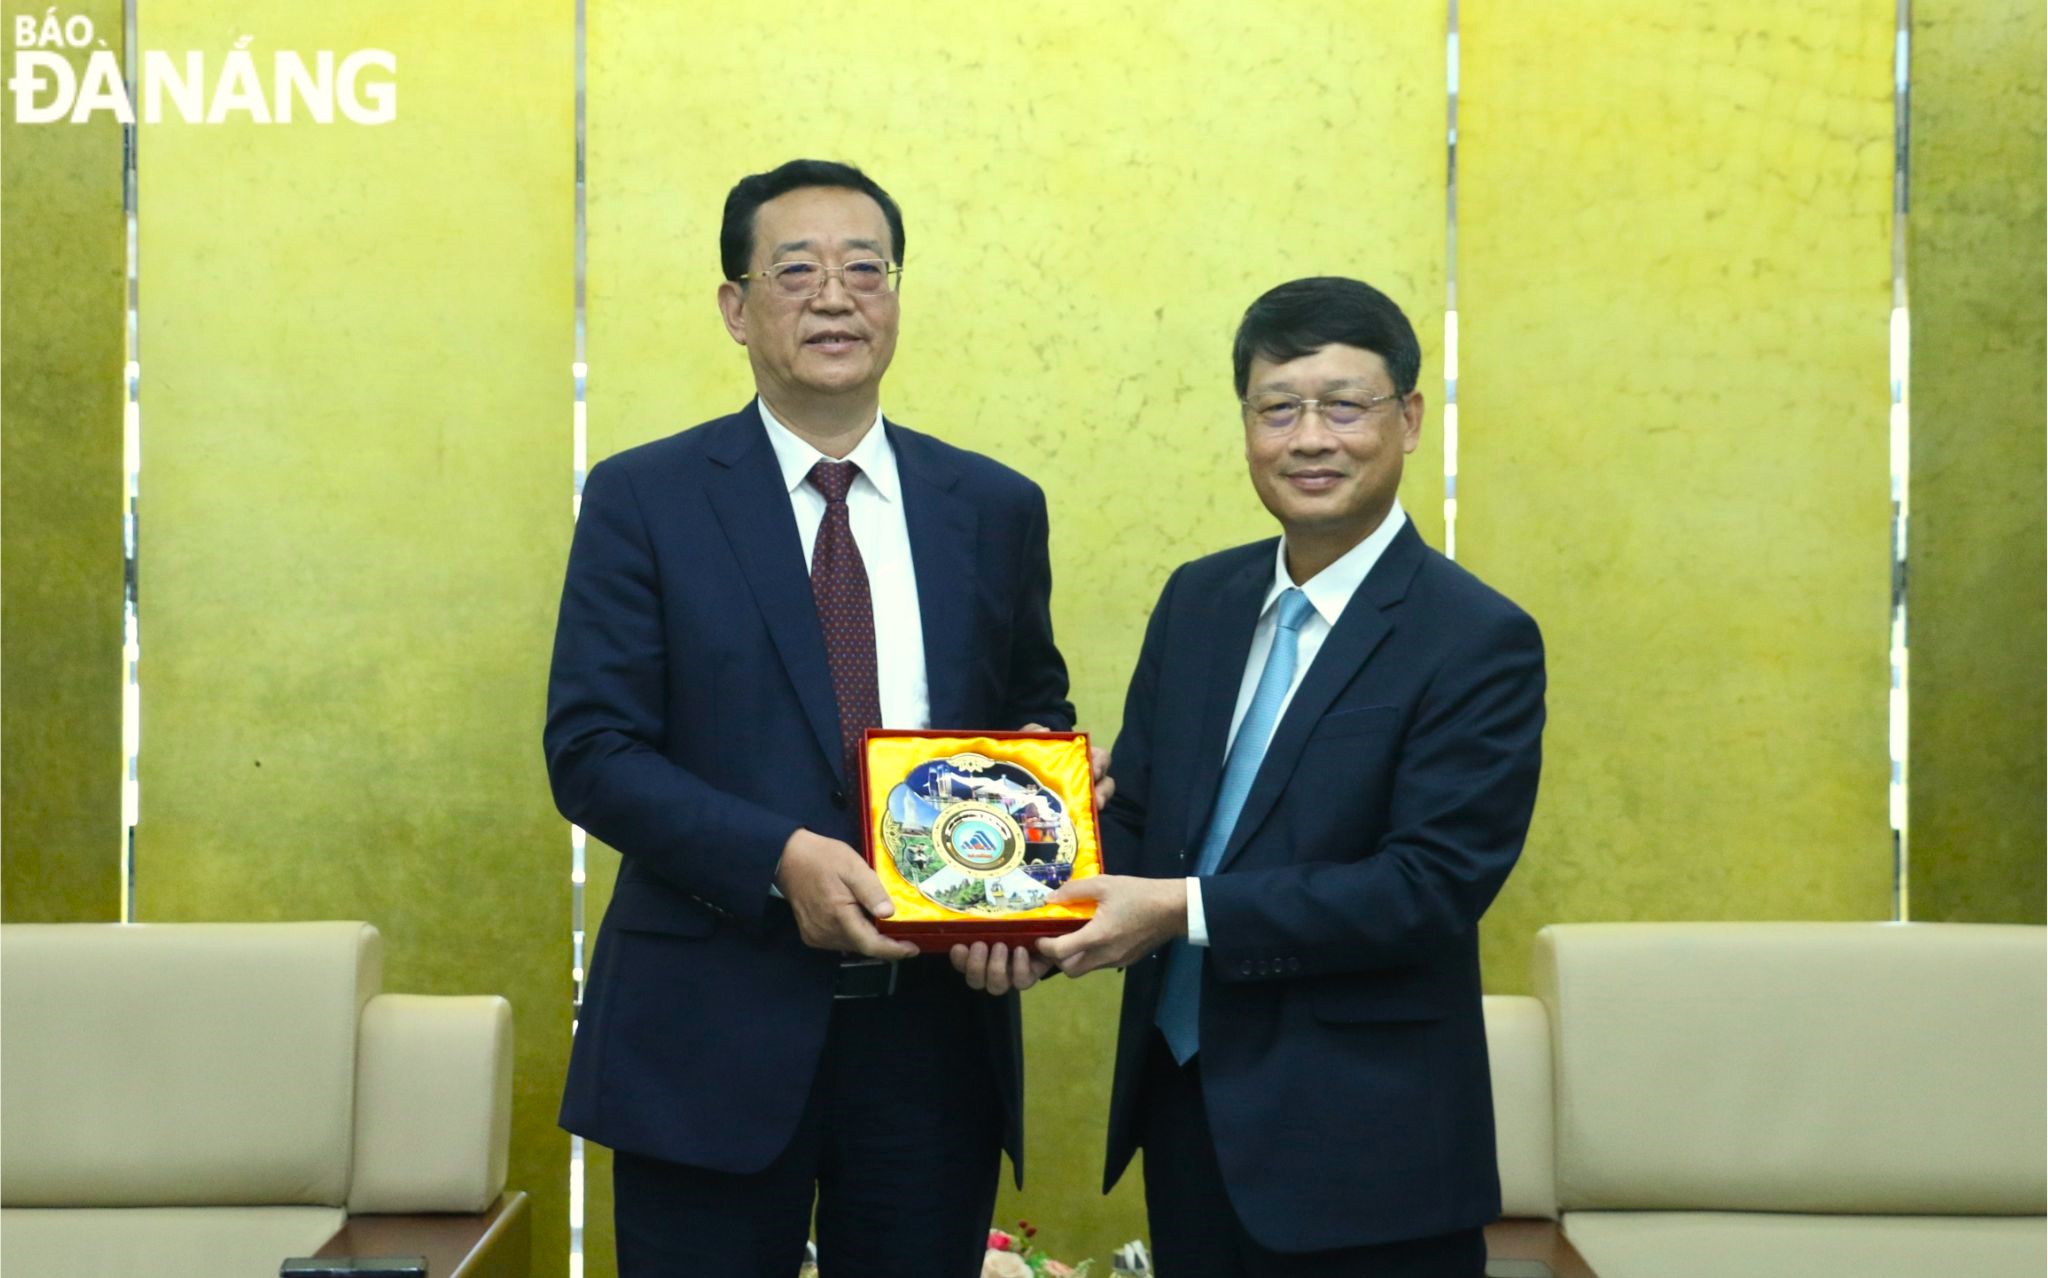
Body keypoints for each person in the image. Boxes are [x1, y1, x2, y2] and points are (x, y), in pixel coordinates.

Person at [545, 159, 1081, 1278]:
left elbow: (1034, 706)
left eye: (864, 270)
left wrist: (1031, 837)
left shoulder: (989, 507)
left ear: (894, 295)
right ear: (736, 308)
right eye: (795, 271)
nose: (834, 297)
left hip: (931, 1036)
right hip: (708, 1027)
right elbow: (593, 752)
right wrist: (776, 856)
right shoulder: (645, 499)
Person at [1040, 277, 1546, 1277]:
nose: (1308, 438)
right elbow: (1147, 824)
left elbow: (1425, 889)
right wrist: (1054, 825)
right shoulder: (1198, 600)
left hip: (1367, 1153)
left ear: (1405, 419)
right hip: (1186, 1111)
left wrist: (1178, 910)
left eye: (1342, 405)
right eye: (1278, 408)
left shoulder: (1474, 637)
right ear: (1246, 426)